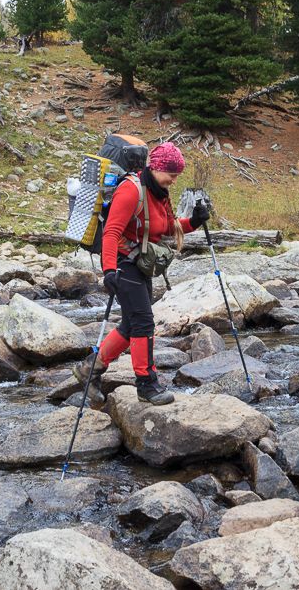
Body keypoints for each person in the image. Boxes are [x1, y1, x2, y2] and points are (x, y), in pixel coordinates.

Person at [74, 142, 210, 405]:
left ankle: (89, 370)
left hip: (140, 265)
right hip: (124, 264)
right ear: (156, 167)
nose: (174, 178)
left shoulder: (159, 192)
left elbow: (165, 227)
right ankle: (146, 385)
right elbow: (112, 232)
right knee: (144, 323)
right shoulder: (130, 190)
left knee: (130, 325)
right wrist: (109, 271)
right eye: (171, 172)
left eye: (177, 174)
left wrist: (193, 221)